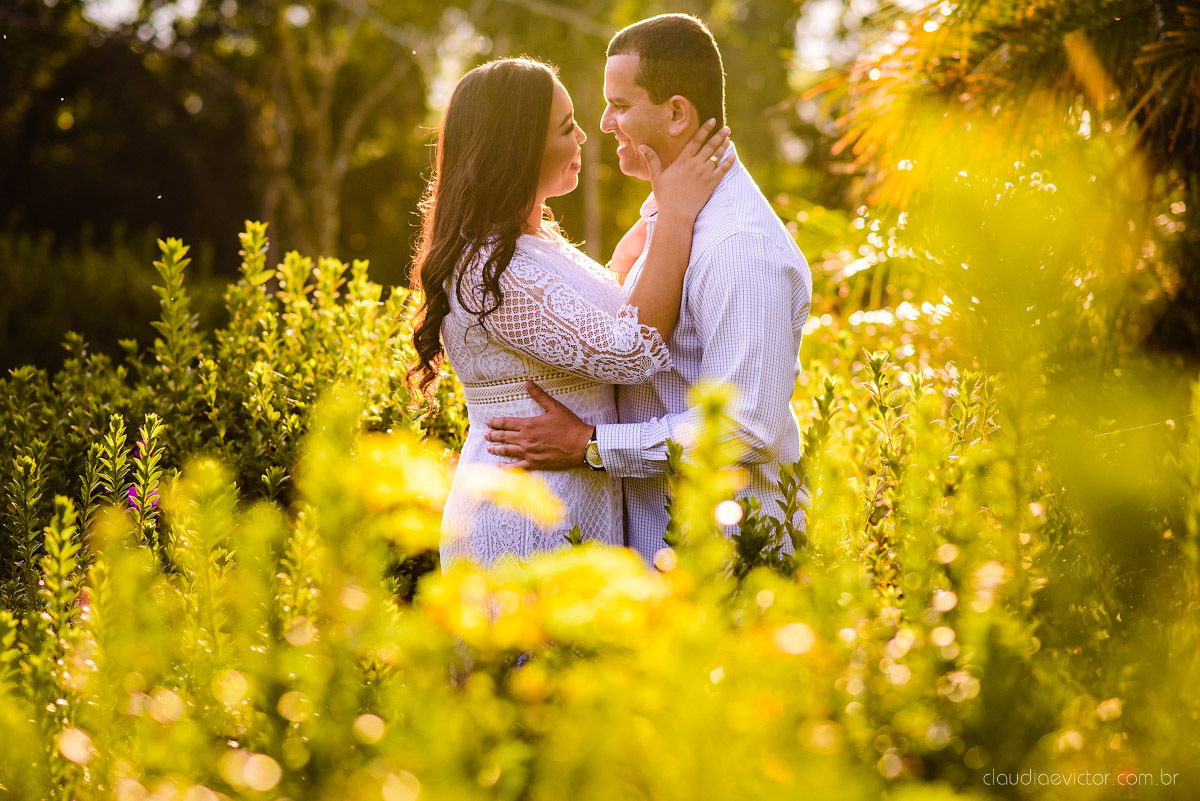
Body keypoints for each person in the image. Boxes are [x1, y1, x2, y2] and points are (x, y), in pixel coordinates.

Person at [484, 15, 813, 567]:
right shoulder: (672, 219)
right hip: (665, 553)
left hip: (727, 565)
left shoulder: (740, 246)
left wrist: (591, 445)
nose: (604, 123)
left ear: (677, 113)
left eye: (620, 105)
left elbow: (745, 427)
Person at [407, 57, 732, 569]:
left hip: (569, 506)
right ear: (517, 149)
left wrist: (636, 247)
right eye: (565, 127)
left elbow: (582, 325)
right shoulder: (490, 268)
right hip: (521, 522)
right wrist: (675, 213)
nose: (583, 136)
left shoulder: (534, 243)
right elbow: (629, 353)